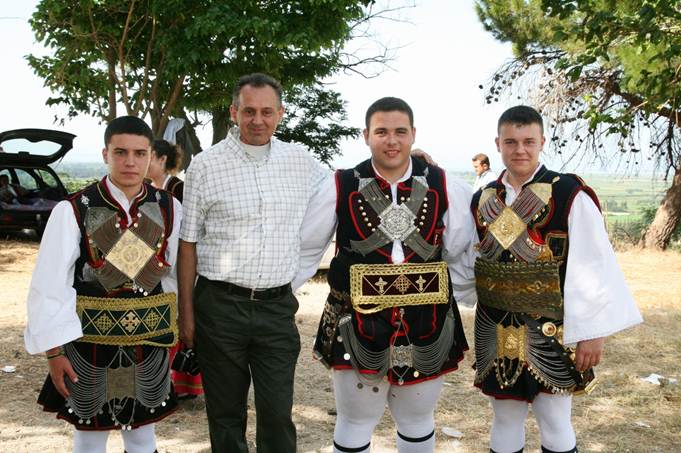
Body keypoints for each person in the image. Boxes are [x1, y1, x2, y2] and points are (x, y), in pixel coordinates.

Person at [293, 97, 478, 453]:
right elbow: (306, 248)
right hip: (356, 320)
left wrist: (461, 294)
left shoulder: (443, 184)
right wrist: (282, 294)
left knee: (418, 420)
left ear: (413, 134)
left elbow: (461, 249)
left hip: (426, 320)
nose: (391, 140)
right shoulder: (339, 184)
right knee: (354, 421)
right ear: (366, 135)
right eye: (381, 132)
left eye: (400, 132)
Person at [470, 105, 642, 453]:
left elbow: (594, 264)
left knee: (554, 418)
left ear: (542, 142)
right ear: (498, 144)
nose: (520, 150)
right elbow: (471, 259)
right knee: (504, 417)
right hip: (495, 323)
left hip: (552, 325)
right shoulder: (482, 199)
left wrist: (592, 333)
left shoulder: (568, 193)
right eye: (511, 142)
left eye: (528, 141)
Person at [177, 73, 328, 453]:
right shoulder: (205, 166)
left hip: (276, 310)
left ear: (280, 113)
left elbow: (346, 187)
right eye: (248, 111)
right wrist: (186, 313)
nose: (257, 120)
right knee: (225, 414)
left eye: (266, 112)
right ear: (234, 112)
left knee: (277, 412)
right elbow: (187, 243)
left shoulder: (301, 162)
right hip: (219, 308)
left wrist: (414, 161)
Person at [24, 116, 183, 453]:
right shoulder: (72, 210)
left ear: (151, 156)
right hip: (88, 344)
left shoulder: (170, 206)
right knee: (89, 439)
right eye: (120, 152)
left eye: (140, 153)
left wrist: (171, 332)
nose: (130, 162)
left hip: (149, 342)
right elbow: (50, 286)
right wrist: (54, 352)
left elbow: (172, 277)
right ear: (105, 154)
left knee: (142, 438)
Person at [146, 139, 204, 399]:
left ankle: (183, 383)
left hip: (181, 261)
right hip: (161, 265)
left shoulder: (179, 189)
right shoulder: (151, 188)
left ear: (161, 159)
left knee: (180, 317)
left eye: (147, 156)